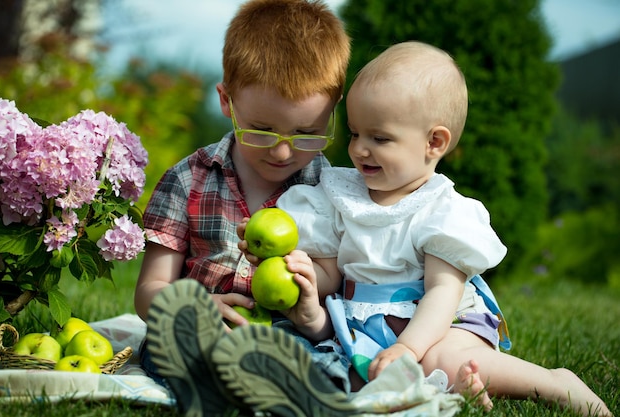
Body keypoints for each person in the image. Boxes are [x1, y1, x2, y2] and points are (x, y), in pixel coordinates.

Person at [257, 41, 610, 416]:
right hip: (371, 324)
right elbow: (330, 274)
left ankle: (554, 383)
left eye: (379, 138)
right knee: (354, 378)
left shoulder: (441, 211)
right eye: (355, 133)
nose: (360, 149)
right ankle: (456, 390)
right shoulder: (341, 197)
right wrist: (307, 280)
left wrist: (409, 348)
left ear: (434, 142)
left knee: (438, 358)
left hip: (440, 322)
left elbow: (442, 292)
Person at [134, 1, 357, 416]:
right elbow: (149, 290)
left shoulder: (336, 193)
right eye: (262, 130)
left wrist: (312, 292)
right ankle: (218, 382)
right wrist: (196, 308)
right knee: (180, 337)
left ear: (332, 111)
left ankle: (286, 389)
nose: (283, 150)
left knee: (317, 357)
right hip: (201, 333)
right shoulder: (188, 181)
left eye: (307, 133)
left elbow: (335, 294)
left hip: (288, 338)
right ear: (226, 100)